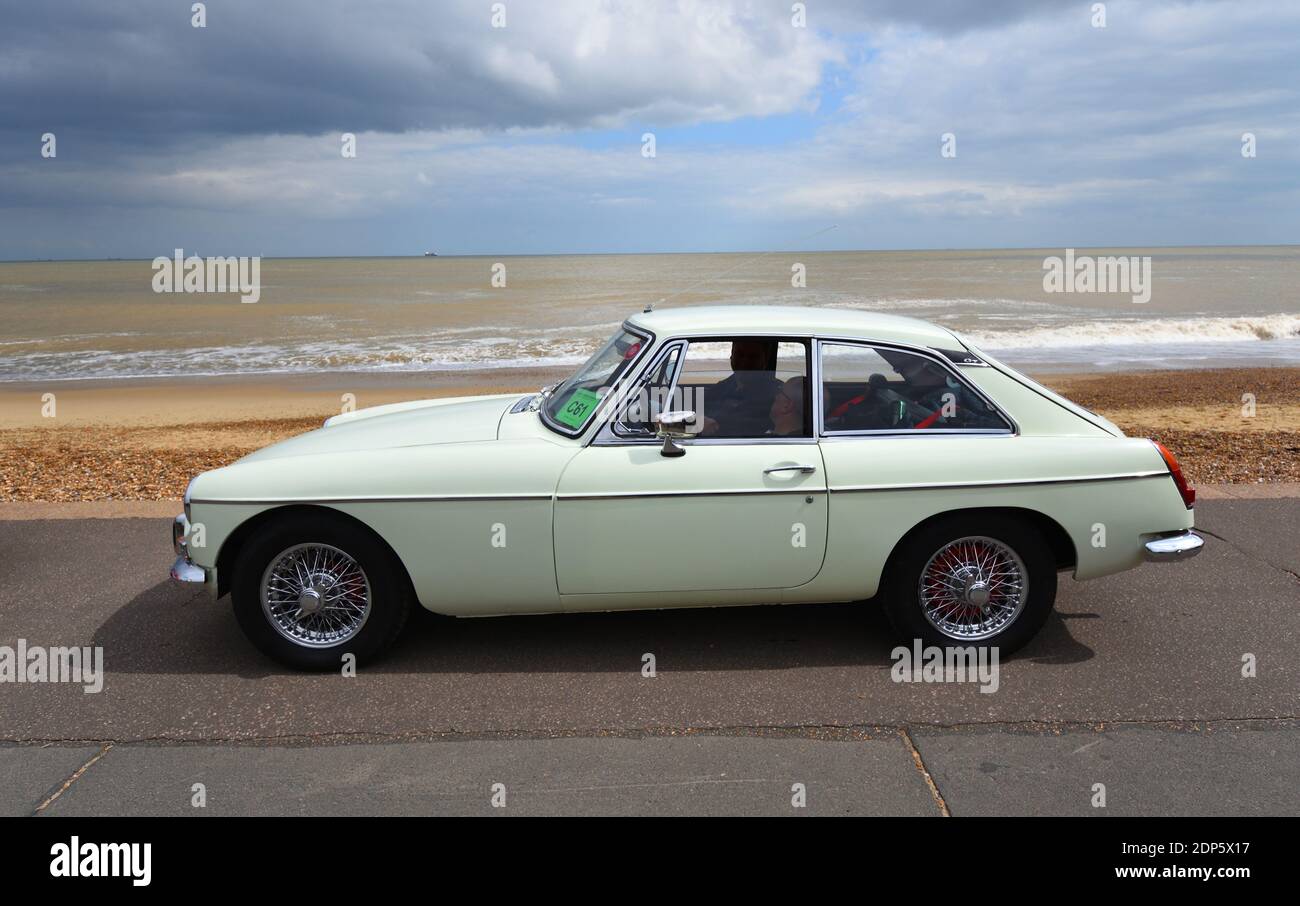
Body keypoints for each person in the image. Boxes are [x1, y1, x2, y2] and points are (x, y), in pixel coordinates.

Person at [699, 339, 783, 436]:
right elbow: (700, 415)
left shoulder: (777, 397)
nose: (745, 362)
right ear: (731, 356)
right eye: (740, 354)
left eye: (753, 357)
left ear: (765, 359)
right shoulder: (721, 387)